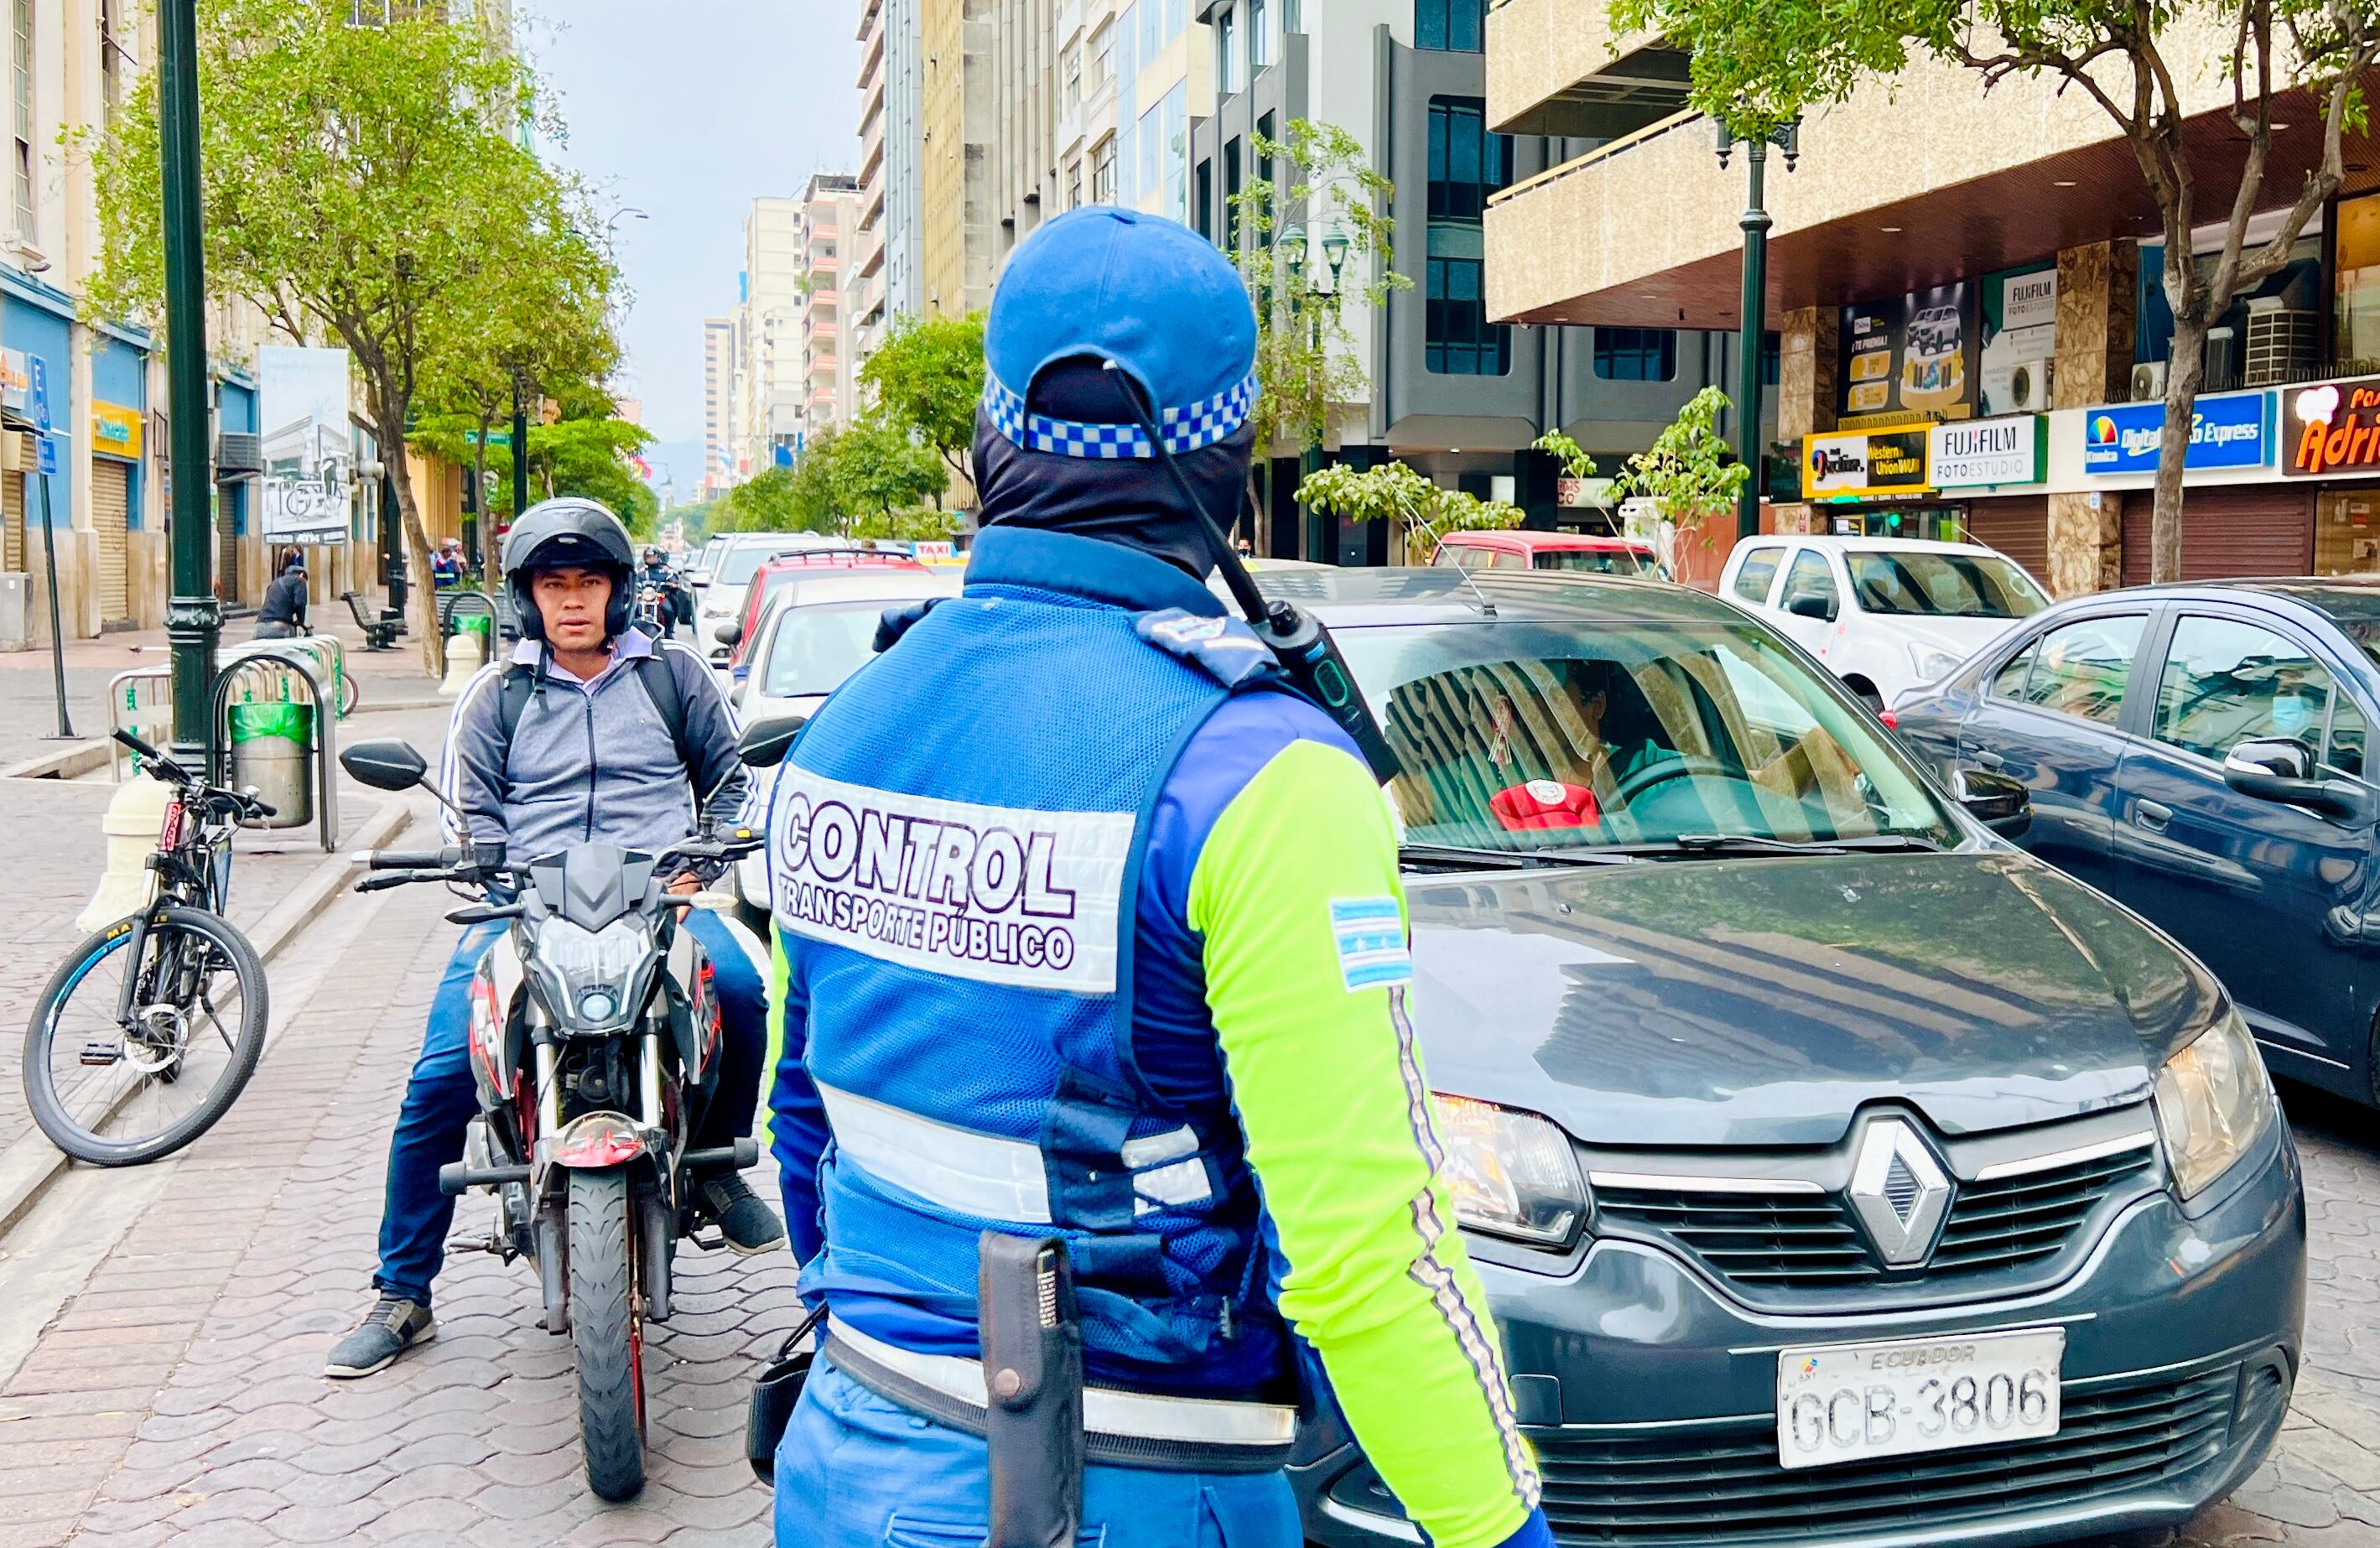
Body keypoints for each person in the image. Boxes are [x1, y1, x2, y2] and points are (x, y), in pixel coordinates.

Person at [761, 207, 1556, 1548]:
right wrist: (1498, 1530)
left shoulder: (844, 730)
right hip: (1136, 1487)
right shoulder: (1260, 771)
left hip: (849, 1460)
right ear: (1233, 472)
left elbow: (802, 1121)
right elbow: (1367, 1257)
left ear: (987, 447)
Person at [324, 496, 787, 1379]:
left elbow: (730, 789)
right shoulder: (495, 695)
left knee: (740, 988)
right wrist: (488, 876)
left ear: (619, 591)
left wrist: (695, 876)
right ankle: (402, 1291)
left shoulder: (674, 676)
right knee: (437, 1079)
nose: (572, 600)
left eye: (589, 582)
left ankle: (721, 1166)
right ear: (527, 597)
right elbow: (473, 813)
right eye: (552, 583)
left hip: (657, 903)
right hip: (527, 912)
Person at [253, 550, 310, 640]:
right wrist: (300, 622)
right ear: (302, 574)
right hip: (280, 626)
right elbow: (300, 603)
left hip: (260, 626)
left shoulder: (276, 581)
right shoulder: (299, 580)